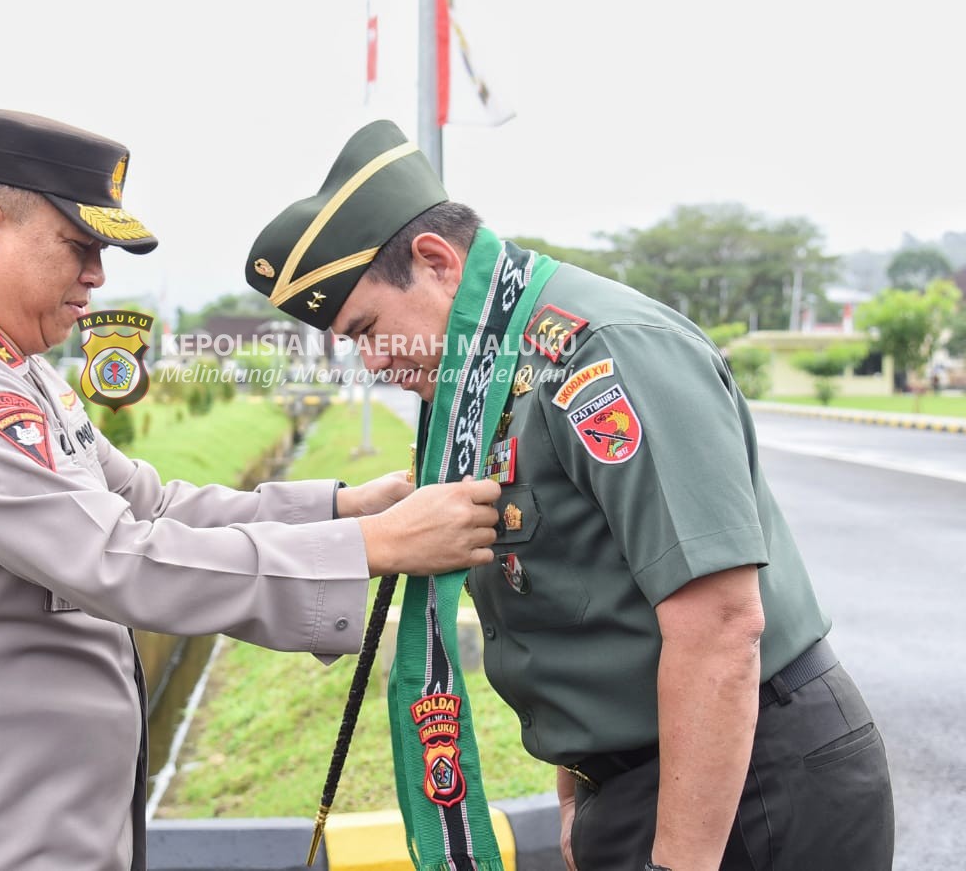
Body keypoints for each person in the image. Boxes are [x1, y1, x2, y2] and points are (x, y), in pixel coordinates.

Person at [0, 108, 503, 871]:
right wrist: (374, 547)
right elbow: (118, 557)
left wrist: (341, 507)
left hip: (42, 824)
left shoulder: (15, 372)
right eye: (78, 246)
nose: (96, 276)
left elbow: (149, 504)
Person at [245, 119, 895, 871]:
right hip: (636, 784)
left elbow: (718, 622)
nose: (375, 361)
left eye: (369, 329)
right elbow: (574, 598)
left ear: (435, 261)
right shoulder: (492, 375)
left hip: (750, 787)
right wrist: (578, 797)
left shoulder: (604, 351)